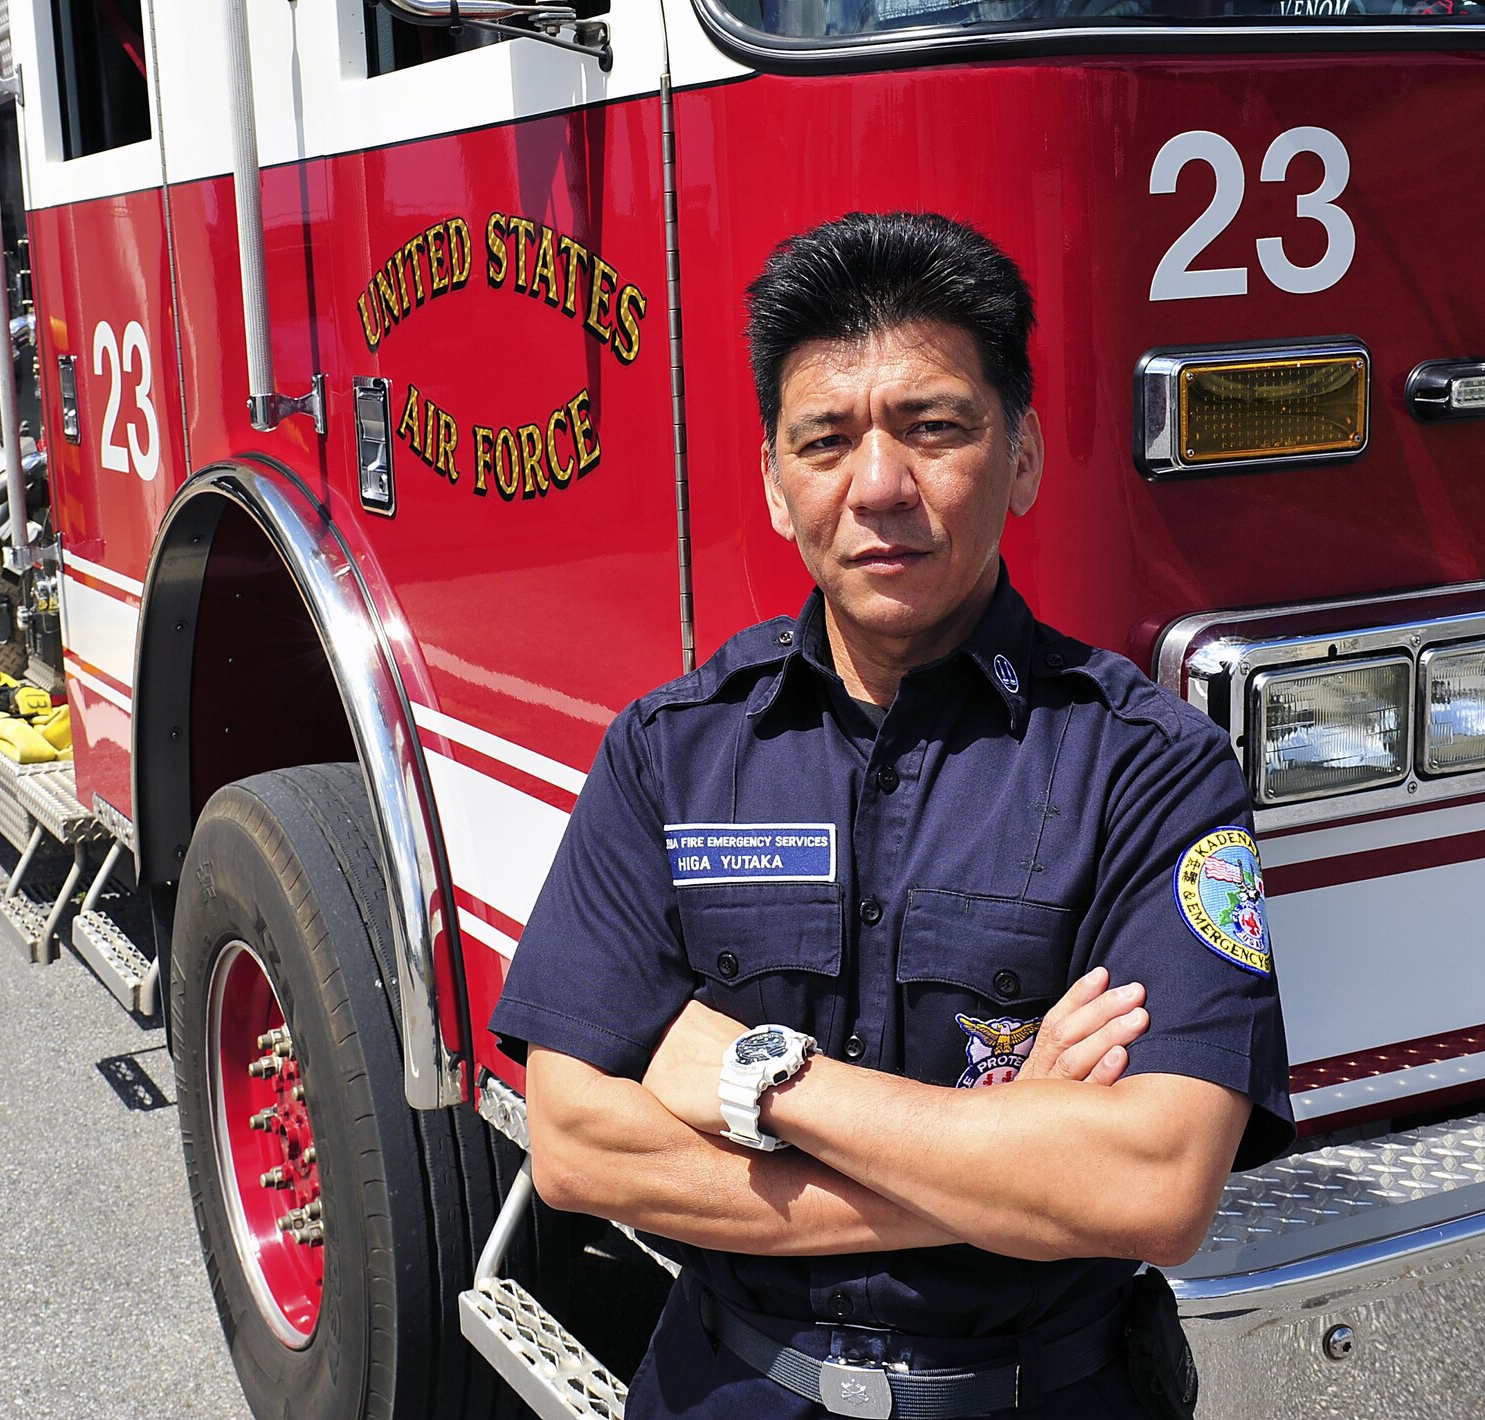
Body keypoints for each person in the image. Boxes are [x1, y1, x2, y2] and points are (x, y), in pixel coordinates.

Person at [489, 210, 1293, 1420]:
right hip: (731, 1388)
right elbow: (575, 1145)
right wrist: (1006, 1157)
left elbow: (1155, 1184)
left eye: (934, 428)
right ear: (773, 481)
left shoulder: (1150, 768)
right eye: (825, 440)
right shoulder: (669, 753)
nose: (877, 486)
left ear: (1018, 456)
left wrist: (764, 1078)